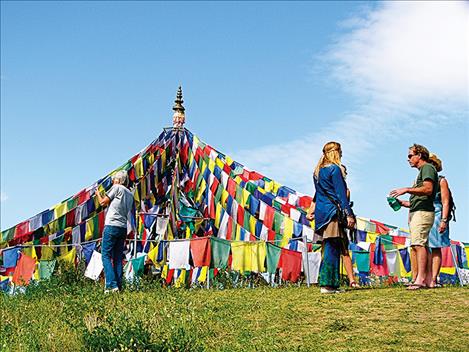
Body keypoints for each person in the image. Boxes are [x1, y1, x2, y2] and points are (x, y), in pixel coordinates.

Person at [390, 144, 438, 290]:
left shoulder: (427, 168)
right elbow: (421, 197)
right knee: (422, 245)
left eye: (411, 155)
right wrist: (403, 203)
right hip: (420, 210)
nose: (408, 159)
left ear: (420, 155)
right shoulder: (422, 171)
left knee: (418, 245)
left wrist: (406, 189)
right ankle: (428, 280)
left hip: (423, 212)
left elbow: (428, 189)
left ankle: (420, 279)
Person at [313, 142, 355, 294]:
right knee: (332, 248)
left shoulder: (317, 171)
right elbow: (341, 194)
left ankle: (330, 284)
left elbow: (317, 194)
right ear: (336, 152)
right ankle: (328, 284)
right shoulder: (334, 169)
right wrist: (349, 213)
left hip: (321, 213)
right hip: (332, 212)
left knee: (329, 247)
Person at [307, 170, 359, 288]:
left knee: (344, 250)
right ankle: (325, 279)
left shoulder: (344, 188)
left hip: (336, 219)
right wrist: (310, 212)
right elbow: (315, 199)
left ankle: (351, 280)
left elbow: (342, 201)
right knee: (326, 249)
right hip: (325, 219)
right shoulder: (324, 186)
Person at [95, 170, 134, 293]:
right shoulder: (130, 194)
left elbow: (102, 202)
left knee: (105, 255)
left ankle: (111, 285)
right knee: (117, 258)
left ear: (118, 180)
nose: (113, 181)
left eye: (114, 179)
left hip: (112, 225)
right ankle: (118, 286)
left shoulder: (117, 188)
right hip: (123, 228)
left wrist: (97, 194)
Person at [427, 153, 451, 288]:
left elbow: (445, 202)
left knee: (435, 248)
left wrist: (443, 220)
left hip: (437, 214)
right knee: (423, 248)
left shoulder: (441, 181)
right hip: (424, 214)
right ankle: (426, 276)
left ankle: (434, 278)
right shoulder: (421, 181)